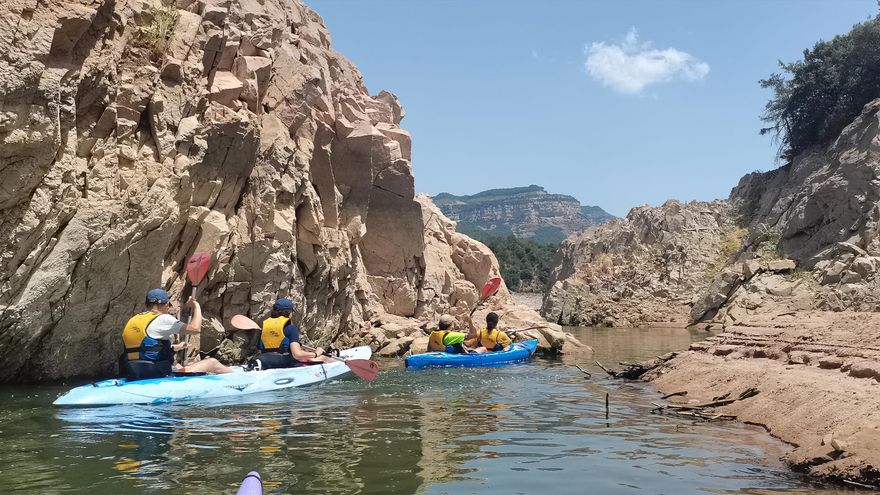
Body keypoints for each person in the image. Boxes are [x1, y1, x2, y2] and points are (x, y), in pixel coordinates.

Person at [121, 288, 233, 380]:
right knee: (212, 362)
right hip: (156, 372)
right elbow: (195, 328)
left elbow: (146, 347)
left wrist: (176, 347)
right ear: (166, 304)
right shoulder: (163, 318)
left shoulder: (134, 320)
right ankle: (237, 378)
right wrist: (196, 306)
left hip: (134, 371)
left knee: (178, 366)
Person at [254, 298, 335, 370]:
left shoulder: (265, 327)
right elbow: (297, 355)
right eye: (292, 312)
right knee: (324, 357)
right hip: (284, 362)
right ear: (288, 312)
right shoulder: (291, 329)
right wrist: (316, 353)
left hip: (264, 360)